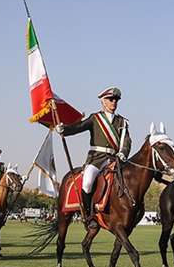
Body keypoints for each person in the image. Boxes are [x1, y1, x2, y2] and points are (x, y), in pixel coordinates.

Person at [56, 86, 131, 227]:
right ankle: (89, 215)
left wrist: (123, 152)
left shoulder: (122, 121)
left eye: (116, 100)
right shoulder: (95, 118)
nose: (114, 102)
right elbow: (78, 127)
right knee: (87, 182)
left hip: (115, 159)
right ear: (103, 101)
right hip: (97, 158)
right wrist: (64, 130)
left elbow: (126, 141)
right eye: (110, 99)